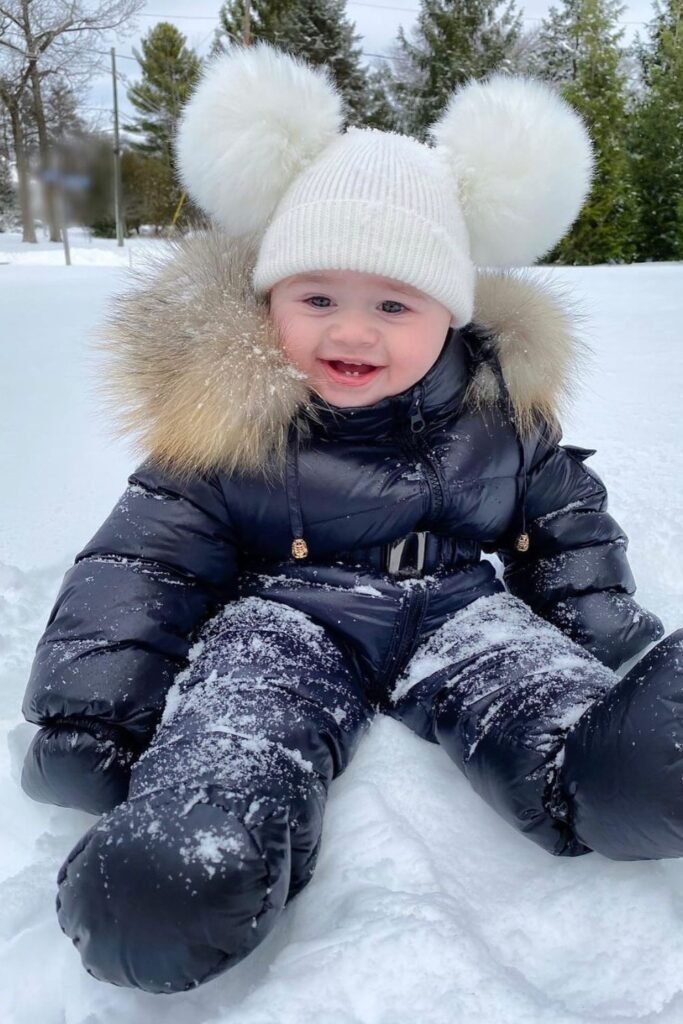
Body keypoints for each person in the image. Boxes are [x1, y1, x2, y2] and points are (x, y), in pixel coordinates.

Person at [20, 44, 683, 994]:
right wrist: (92, 712)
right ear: (272, 299)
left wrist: (605, 634)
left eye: (391, 303)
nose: (350, 331)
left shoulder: (498, 412)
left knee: (554, 720)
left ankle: (631, 763)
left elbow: (562, 525)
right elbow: (144, 560)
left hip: (462, 615)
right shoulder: (230, 421)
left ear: (447, 316)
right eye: (317, 297)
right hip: (288, 619)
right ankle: (184, 861)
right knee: (238, 732)